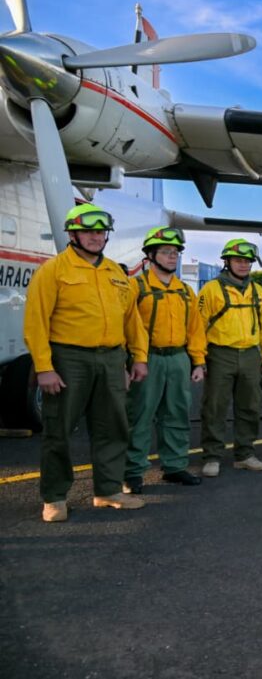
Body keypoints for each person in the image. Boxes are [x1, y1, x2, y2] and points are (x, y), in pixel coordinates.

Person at [25, 203, 148, 522]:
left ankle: (107, 490)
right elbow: (36, 321)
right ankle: (54, 498)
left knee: (113, 427)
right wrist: (44, 367)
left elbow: (132, 320)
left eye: (100, 231)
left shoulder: (117, 274)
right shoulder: (53, 270)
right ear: (72, 233)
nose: (96, 237)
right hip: (68, 358)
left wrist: (138, 358)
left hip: (111, 358)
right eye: (89, 231)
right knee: (59, 429)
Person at [124, 226, 207, 493]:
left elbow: (195, 329)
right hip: (147, 359)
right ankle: (132, 472)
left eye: (176, 252)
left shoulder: (185, 291)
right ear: (150, 255)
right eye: (166, 252)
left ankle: (174, 466)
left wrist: (198, 362)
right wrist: (131, 361)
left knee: (177, 414)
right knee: (140, 415)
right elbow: (124, 325)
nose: (173, 257)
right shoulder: (135, 287)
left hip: (178, 359)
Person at [197, 239, 262, 477]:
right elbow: (197, 327)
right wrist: (199, 359)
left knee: (249, 407)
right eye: (239, 260)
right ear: (227, 262)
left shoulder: (258, 291)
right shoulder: (211, 289)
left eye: (247, 261)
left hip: (251, 355)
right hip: (220, 354)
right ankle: (212, 456)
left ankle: (245, 454)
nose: (243, 265)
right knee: (215, 407)